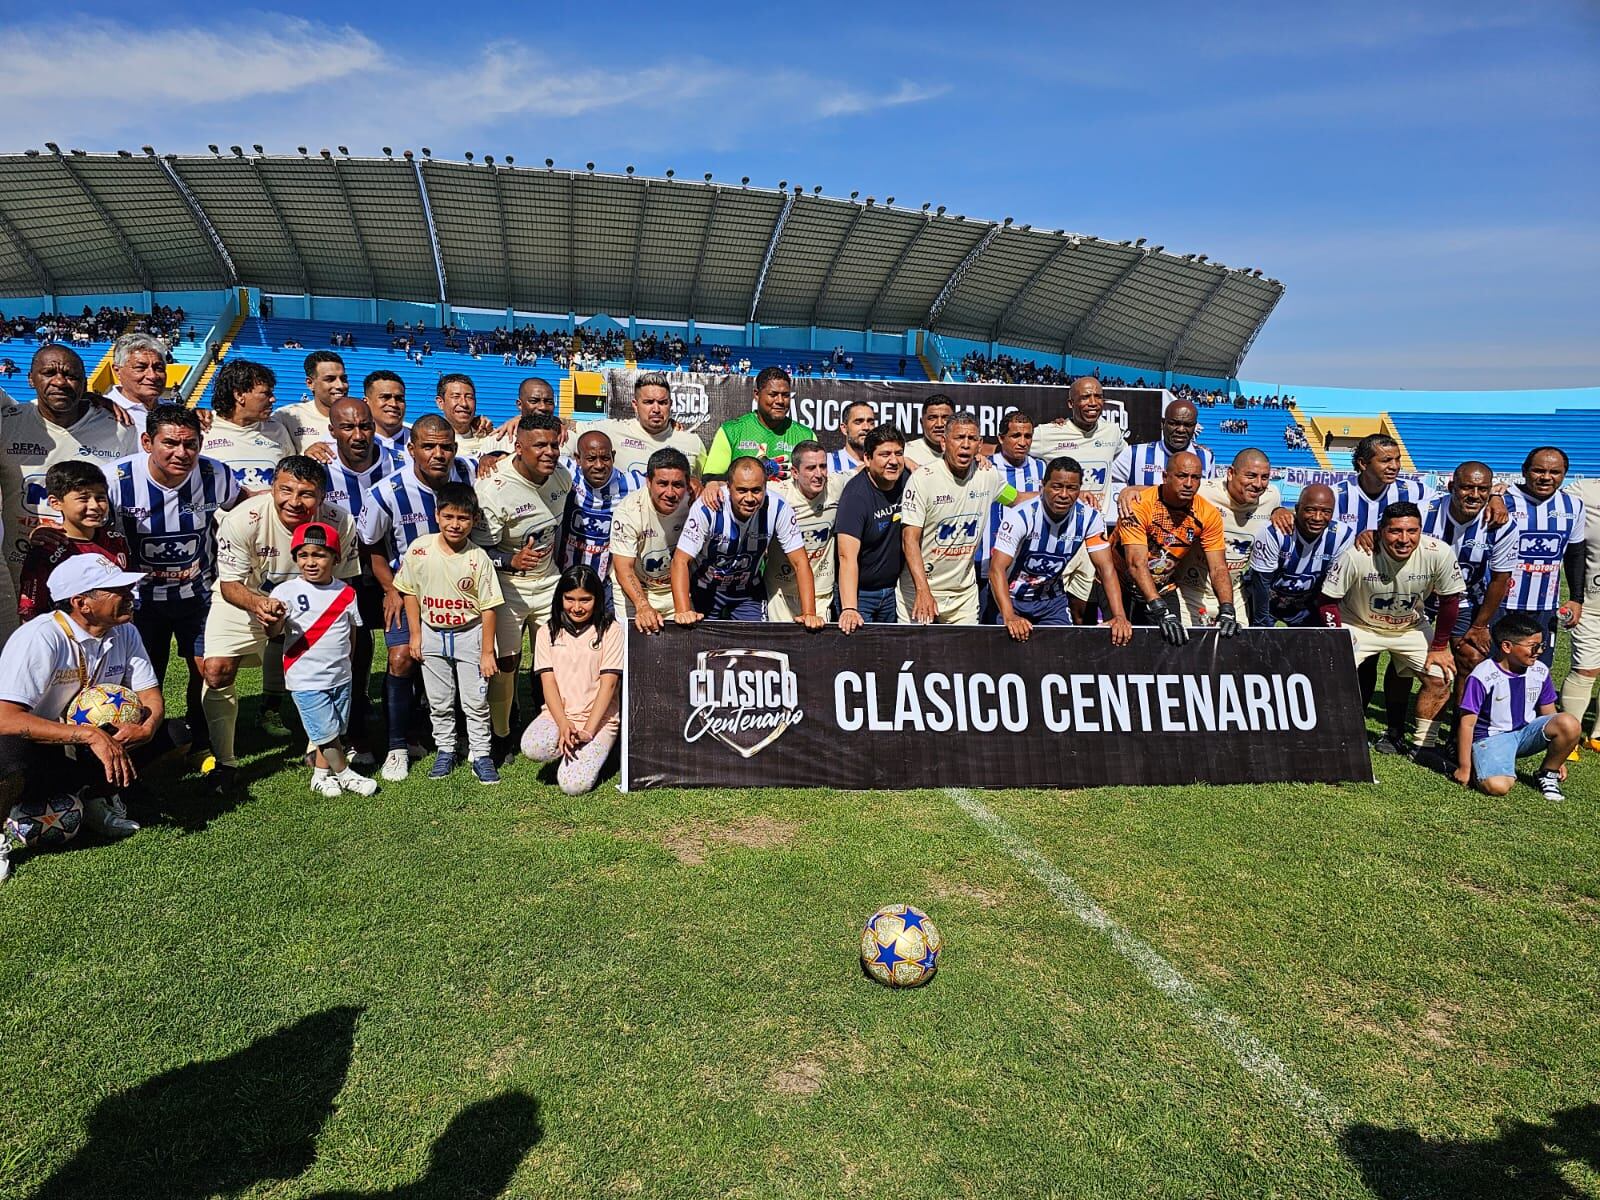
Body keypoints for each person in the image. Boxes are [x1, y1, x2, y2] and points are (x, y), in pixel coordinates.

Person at [0, 556, 191, 883]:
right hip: (40, 747)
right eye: (116, 590)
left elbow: (151, 696)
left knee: (178, 734)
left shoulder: (126, 631)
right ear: (81, 603)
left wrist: (146, 728)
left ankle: (95, 799)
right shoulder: (41, 638)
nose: (129, 594)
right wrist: (89, 736)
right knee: (8, 752)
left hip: (93, 747)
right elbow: (5, 718)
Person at [201, 457, 359, 794]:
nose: (294, 501)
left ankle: (319, 750)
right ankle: (224, 762)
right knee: (216, 671)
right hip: (246, 599)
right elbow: (230, 584)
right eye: (285, 490)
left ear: (322, 496)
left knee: (326, 669)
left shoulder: (340, 521)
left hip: (314, 603)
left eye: (306, 494)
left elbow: (343, 582)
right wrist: (260, 605)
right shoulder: (243, 518)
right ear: (272, 487)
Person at [110, 404, 239, 760]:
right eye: (170, 443)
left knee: (211, 671)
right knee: (141, 680)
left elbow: (245, 507)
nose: (182, 453)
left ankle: (201, 742)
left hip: (198, 597)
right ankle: (140, 750)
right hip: (138, 603)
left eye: (191, 444)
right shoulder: (117, 480)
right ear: (147, 441)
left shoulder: (216, 474)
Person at [357, 414, 475, 781]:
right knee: (402, 658)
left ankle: (467, 736)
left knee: (466, 661)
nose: (438, 454)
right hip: (409, 591)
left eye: (446, 447)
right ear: (411, 449)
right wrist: (391, 588)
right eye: (428, 446)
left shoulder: (469, 474)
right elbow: (371, 546)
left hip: (459, 590)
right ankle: (397, 745)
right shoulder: (385, 492)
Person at [0, 345, 139, 642]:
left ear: (86, 382)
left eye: (71, 375)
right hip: (18, 567)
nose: (60, 381)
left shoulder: (118, 427)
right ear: (30, 379)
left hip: (89, 574)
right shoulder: (7, 422)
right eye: (49, 373)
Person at [1318, 502, 1466, 757]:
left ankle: (1423, 745)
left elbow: (1450, 600)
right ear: (1380, 531)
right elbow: (1328, 601)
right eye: (1395, 531)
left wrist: (1440, 646)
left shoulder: (1438, 551)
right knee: (1332, 670)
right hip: (1359, 625)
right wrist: (1336, 637)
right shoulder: (1357, 553)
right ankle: (1335, 734)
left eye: (1412, 531)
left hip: (1411, 627)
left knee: (1441, 676)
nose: (1404, 539)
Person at [472, 413, 573, 756]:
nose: (549, 452)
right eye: (539, 445)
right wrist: (509, 561)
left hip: (548, 581)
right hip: (506, 586)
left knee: (559, 658)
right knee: (507, 663)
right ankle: (501, 733)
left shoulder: (562, 477)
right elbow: (478, 550)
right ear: (517, 447)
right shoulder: (492, 488)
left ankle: (558, 725)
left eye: (554, 445)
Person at [394, 482, 503, 784]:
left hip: (469, 634)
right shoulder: (420, 549)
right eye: (449, 517)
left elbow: (489, 608)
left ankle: (481, 754)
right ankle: (446, 749)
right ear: (437, 515)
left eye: (463, 518)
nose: (456, 525)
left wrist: (486, 651)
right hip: (432, 633)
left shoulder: (478, 558)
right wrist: (415, 635)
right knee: (439, 700)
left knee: (475, 701)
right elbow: (410, 593)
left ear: (475, 520)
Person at [265, 522, 377, 798]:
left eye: (319, 555)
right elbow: (274, 632)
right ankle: (346, 774)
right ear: (294, 558)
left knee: (333, 729)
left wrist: (347, 666)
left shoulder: (346, 593)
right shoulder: (284, 592)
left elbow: (350, 635)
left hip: (340, 675)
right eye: (303, 555)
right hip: (305, 677)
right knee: (325, 731)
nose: (310, 562)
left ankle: (320, 775)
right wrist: (274, 620)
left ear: (335, 558)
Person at [320, 397, 398, 761]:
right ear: (332, 429)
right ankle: (352, 732)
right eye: (348, 427)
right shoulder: (320, 470)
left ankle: (411, 722)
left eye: (365, 426)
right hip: (342, 575)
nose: (358, 434)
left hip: (391, 572)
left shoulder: (398, 463)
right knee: (351, 648)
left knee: (404, 648)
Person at [987, 457, 1131, 644]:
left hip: (1051, 601)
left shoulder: (1090, 518)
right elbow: (996, 570)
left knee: (1062, 655)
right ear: (1043, 486)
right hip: (1012, 598)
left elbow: (1106, 569)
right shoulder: (1020, 516)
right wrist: (1009, 616)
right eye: (1056, 487)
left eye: (1071, 488)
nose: (1064, 494)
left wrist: (1119, 616)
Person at [900, 413, 1026, 626]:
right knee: (917, 658)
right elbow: (909, 540)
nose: (965, 445)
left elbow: (1016, 499)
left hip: (962, 596)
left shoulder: (988, 476)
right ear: (944, 442)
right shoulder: (923, 479)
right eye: (959, 438)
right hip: (919, 589)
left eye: (972, 439)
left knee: (963, 658)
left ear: (980, 445)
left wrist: (1068, 495)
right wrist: (923, 590)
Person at [671, 457, 820, 625]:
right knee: (700, 644)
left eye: (756, 490)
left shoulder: (778, 508)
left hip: (747, 591)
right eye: (741, 490)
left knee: (756, 645)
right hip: (706, 590)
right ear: (728, 487)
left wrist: (809, 613)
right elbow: (680, 561)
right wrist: (683, 611)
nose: (749, 498)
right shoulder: (708, 507)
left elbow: (800, 561)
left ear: (766, 486)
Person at [1454, 613, 1581, 802]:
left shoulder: (1540, 671)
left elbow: (1549, 712)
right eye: (1533, 647)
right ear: (1507, 646)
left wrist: (1559, 757)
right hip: (1492, 738)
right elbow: (1467, 724)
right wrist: (1464, 767)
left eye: (1541, 646)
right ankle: (1486, 763)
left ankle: (1547, 773)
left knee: (1569, 723)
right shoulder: (1483, 675)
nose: (1538, 651)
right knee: (1497, 787)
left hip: (1525, 734)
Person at [521, 564, 623, 795]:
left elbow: (609, 685)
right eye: (570, 599)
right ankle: (567, 743)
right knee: (532, 747)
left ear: (597, 599)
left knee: (573, 785)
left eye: (585, 600)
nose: (576, 607)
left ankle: (601, 749)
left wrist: (587, 731)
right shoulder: (547, 631)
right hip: (559, 715)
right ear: (560, 598)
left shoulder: (611, 630)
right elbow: (548, 683)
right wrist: (564, 724)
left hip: (599, 720)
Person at [1117, 451, 1238, 644]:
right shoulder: (1139, 505)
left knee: (1174, 647)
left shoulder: (1208, 514)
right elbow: (1136, 565)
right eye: (1182, 476)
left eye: (1195, 477)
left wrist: (1227, 609)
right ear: (1165, 477)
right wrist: (1160, 610)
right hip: (1120, 584)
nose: (1189, 484)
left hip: (1163, 585)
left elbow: (1218, 568)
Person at [1419, 461, 1519, 690]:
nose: (1475, 495)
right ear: (1451, 486)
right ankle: (1395, 724)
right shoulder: (1423, 512)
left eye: (1483, 489)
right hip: (1418, 596)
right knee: (1402, 657)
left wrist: (1479, 626)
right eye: (1466, 488)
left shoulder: (1501, 525)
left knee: (1471, 657)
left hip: (1464, 598)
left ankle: (1462, 724)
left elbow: (1500, 579)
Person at [1500, 446, 1586, 669]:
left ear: (1564, 475)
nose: (1546, 477)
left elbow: (1575, 554)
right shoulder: (1502, 499)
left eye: (1555, 472)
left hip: (1544, 605)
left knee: (1538, 665)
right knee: (1495, 663)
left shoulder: (1573, 506)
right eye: (1539, 470)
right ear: (1524, 471)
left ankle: (1530, 705)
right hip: (1499, 601)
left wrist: (1577, 598)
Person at [18, 462, 131, 624]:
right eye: (83, 499)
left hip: (113, 637)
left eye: (100, 497)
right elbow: (29, 611)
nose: (94, 506)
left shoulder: (115, 541)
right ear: (55, 502)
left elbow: (126, 591)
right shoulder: (46, 550)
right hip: (65, 639)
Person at [1178, 449, 1280, 626]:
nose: (1258, 484)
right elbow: (1164, 492)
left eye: (1265, 477)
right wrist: (1132, 491)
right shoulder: (1203, 492)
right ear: (1231, 473)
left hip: (1234, 594)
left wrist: (1280, 511)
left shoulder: (1272, 497)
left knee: (1237, 651)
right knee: (1188, 650)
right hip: (1191, 591)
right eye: (1251, 475)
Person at [1245, 484, 1354, 627]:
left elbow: (1330, 585)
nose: (1317, 517)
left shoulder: (1343, 535)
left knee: (1316, 646)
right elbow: (1261, 583)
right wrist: (1261, 625)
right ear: (1297, 509)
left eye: (1326, 512)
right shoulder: (1274, 532)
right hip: (1263, 600)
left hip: (1304, 606)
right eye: (1310, 510)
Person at [609, 448, 692, 632]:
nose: (670, 493)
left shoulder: (694, 502)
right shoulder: (629, 511)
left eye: (677, 485)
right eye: (662, 484)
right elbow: (623, 567)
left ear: (688, 484)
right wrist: (642, 605)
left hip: (675, 589)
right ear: (648, 481)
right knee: (633, 651)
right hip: (636, 589)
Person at [835, 425, 908, 633]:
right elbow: (846, 557)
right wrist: (850, 608)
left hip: (896, 592)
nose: (893, 461)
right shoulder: (855, 496)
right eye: (884, 454)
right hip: (861, 595)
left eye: (898, 454)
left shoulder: (909, 480)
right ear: (867, 459)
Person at [767, 441, 846, 622]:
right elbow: (736, 486)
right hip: (781, 592)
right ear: (795, 473)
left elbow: (867, 469)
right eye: (811, 468)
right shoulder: (779, 493)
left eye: (823, 466)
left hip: (820, 593)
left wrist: (907, 461)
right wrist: (713, 487)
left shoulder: (836, 485)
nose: (819, 474)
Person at [701, 368, 815, 492]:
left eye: (785, 395)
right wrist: (756, 472)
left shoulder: (806, 435)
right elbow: (711, 479)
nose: (780, 401)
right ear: (757, 394)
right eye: (773, 394)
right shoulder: (731, 431)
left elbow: (817, 478)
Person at [976, 412, 1046, 614]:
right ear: (1001, 438)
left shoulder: (1041, 468)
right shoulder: (985, 466)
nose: (1023, 442)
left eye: (1028, 436)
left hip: (1026, 572)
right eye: (1015, 436)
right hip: (984, 565)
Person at [556, 430, 640, 591]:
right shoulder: (565, 471)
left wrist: (692, 481)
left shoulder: (632, 483)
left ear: (613, 456)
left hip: (607, 582)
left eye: (605, 458)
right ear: (578, 458)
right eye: (591, 458)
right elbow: (527, 459)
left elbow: (659, 480)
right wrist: (494, 457)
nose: (599, 465)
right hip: (563, 576)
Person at [1109, 399, 1215, 517]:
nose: (1180, 429)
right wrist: (1125, 491)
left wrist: (1142, 489)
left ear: (1194, 426)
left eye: (1187, 425)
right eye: (1174, 423)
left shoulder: (1206, 457)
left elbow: (1207, 495)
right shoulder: (1135, 453)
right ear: (1163, 423)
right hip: (1142, 530)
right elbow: (1109, 485)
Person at [587, 372, 705, 479]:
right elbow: (571, 430)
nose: (656, 409)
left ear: (671, 404)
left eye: (662, 403)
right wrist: (566, 425)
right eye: (648, 402)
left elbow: (704, 484)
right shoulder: (612, 431)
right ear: (635, 405)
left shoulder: (693, 443)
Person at [202, 358, 294, 495]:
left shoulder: (277, 430)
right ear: (239, 395)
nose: (273, 399)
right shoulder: (203, 428)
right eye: (265, 393)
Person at [1557, 474, 1600, 752]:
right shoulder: (1585, 489)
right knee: (1585, 668)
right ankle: (1569, 735)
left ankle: (1597, 735)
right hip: (1591, 604)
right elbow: (1546, 496)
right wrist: (1501, 493)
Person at [1332, 434, 1432, 535]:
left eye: (1397, 459)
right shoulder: (1335, 496)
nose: (1395, 466)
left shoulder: (1417, 491)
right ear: (1363, 463)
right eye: (1386, 460)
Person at [484, 377, 578, 462]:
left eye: (549, 402)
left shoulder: (570, 439)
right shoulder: (496, 441)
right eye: (534, 401)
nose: (542, 407)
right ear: (519, 405)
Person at [275, 351, 348, 454]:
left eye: (343, 379)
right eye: (330, 379)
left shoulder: (361, 416)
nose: (340, 385)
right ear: (310, 384)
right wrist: (305, 459)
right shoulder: (287, 417)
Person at [104, 332, 171, 420]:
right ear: (117, 371)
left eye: (159, 368)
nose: (152, 376)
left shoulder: (175, 413)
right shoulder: (100, 413)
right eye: (140, 368)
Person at [434, 373, 494, 462]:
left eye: (469, 397)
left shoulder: (492, 437)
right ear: (440, 403)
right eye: (456, 397)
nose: (464, 404)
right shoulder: (431, 442)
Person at [364, 370, 411, 459]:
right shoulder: (354, 442)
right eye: (385, 397)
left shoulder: (419, 442)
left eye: (399, 398)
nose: (393, 404)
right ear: (366, 402)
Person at [901, 395, 954, 473]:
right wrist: (901, 459)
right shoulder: (906, 452)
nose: (939, 424)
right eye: (932, 418)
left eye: (945, 418)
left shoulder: (965, 451)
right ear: (922, 422)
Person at [828, 401, 876, 476]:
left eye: (871, 422)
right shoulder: (828, 462)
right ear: (844, 428)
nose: (866, 427)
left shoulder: (882, 462)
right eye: (858, 422)